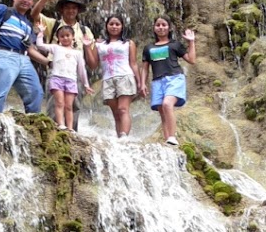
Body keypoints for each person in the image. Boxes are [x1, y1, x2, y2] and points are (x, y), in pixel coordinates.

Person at [31, 0, 97, 130]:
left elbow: (92, 63)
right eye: (67, 8)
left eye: (74, 8)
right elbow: (34, 14)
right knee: (54, 105)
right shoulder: (52, 24)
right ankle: (52, 138)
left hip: (75, 74)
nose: (71, 11)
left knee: (74, 106)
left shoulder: (85, 31)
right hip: (55, 72)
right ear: (61, 10)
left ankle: (72, 136)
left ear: (78, 11)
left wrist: (86, 47)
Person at [140, 16, 197, 146]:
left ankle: (172, 136)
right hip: (157, 81)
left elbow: (192, 60)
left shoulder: (175, 44)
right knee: (163, 113)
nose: (161, 27)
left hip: (174, 78)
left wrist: (191, 42)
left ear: (169, 27)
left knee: (167, 104)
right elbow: (145, 68)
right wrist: (142, 83)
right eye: (158, 25)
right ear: (154, 28)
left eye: (164, 25)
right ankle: (168, 141)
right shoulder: (148, 48)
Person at [84, 15, 141, 138]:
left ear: (122, 27)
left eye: (117, 24)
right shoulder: (99, 45)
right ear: (106, 26)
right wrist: (88, 47)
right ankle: (119, 137)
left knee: (122, 109)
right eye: (111, 24)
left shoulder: (128, 43)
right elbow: (93, 65)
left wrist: (140, 82)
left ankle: (124, 136)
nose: (114, 27)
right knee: (116, 113)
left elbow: (134, 63)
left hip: (125, 76)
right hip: (108, 79)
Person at [36, 23, 93, 130]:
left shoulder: (77, 53)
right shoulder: (55, 48)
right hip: (57, 78)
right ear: (58, 38)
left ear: (73, 37)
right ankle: (61, 124)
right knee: (59, 103)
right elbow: (40, 45)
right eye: (62, 36)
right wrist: (41, 32)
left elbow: (81, 69)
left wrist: (86, 84)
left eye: (68, 35)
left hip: (71, 80)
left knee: (69, 106)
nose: (65, 38)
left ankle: (70, 128)